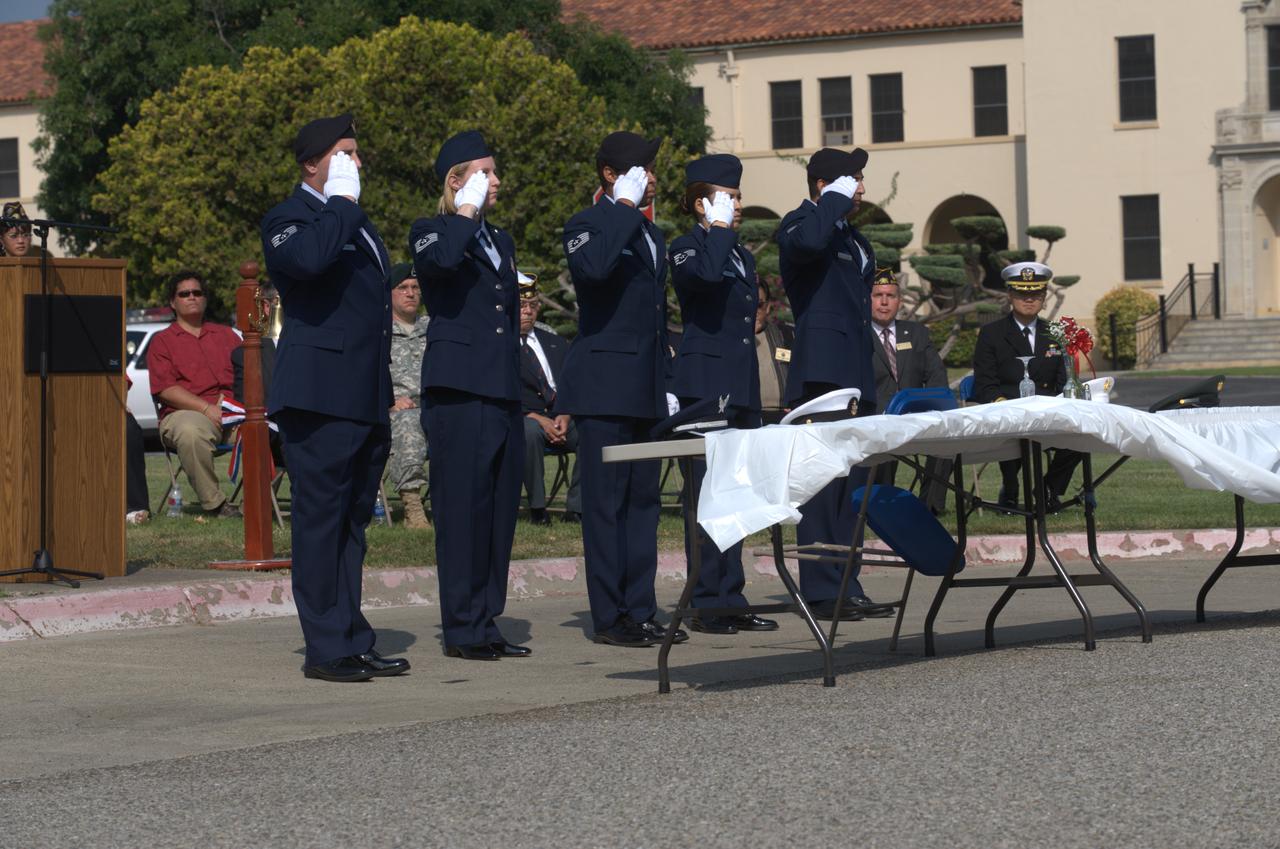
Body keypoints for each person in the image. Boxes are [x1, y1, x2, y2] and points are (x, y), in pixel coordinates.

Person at [260, 112, 409, 683]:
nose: (357, 163)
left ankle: (352, 636)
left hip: (364, 396)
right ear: (311, 164)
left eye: (357, 153)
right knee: (320, 525)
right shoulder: (287, 218)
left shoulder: (357, 218)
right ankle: (325, 647)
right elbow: (308, 262)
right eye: (345, 153)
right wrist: (341, 205)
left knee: (352, 524)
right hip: (319, 397)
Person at [559, 131, 686, 648]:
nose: (651, 177)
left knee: (642, 504)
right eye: (641, 169)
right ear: (611, 175)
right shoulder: (587, 225)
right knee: (606, 505)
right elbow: (594, 269)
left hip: (644, 387)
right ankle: (610, 616)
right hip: (603, 387)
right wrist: (626, 208)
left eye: (652, 170)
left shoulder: (653, 236)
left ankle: (641, 607)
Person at [410, 130, 529, 662]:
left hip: (500, 386)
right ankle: (461, 626)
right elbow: (439, 267)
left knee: (499, 511)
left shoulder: (499, 238)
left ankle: (486, 618)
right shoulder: (432, 230)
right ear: (456, 180)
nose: (497, 181)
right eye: (485, 172)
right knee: (462, 511)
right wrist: (463, 212)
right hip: (459, 388)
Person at [776, 146, 890, 621]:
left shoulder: (854, 238)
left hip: (856, 369)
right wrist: (830, 203)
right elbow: (806, 247)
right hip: (821, 371)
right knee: (823, 487)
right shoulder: (800, 223)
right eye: (852, 180)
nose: (861, 189)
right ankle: (822, 590)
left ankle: (848, 580)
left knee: (852, 487)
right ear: (824, 185)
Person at [667, 153, 778, 635]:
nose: (736, 207)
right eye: (728, 198)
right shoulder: (687, 248)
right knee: (707, 497)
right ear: (701, 204)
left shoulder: (740, 253)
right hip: (704, 387)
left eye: (737, 198)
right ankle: (706, 598)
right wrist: (716, 232)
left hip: (740, 386)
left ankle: (730, 594)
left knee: (737, 495)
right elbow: (705, 281)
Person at [972, 261, 1083, 512]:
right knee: (1014, 436)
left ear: (1044, 297)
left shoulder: (1056, 333)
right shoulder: (991, 334)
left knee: (1080, 438)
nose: (1029, 299)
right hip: (1008, 412)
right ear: (1010, 295)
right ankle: (1010, 487)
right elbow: (985, 383)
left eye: (1036, 294)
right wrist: (1003, 405)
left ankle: (1048, 489)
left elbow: (1063, 381)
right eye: (1022, 293)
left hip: (1048, 413)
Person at [146, 270, 243, 518]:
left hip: (231, 414)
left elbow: (246, 375)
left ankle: (268, 500)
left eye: (197, 292)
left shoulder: (227, 336)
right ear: (173, 302)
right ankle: (216, 505)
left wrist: (231, 402)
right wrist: (206, 408)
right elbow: (166, 389)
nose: (192, 297)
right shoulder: (162, 341)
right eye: (184, 293)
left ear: (205, 299)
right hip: (184, 413)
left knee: (269, 428)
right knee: (191, 430)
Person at [869, 267, 952, 511]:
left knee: (945, 444)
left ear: (899, 301)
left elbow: (936, 375)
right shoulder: (857, 335)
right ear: (867, 299)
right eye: (878, 295)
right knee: (882, 444)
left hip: (916, 417)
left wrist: (934, 411)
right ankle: (882, 504)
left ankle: (930, 506)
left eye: (891, 296)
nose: (884, 302)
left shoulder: (916, 333)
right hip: (877, 418)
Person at [517, 274, 582, 525]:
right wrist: (538, 419)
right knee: (529, 432)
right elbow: (504, 392)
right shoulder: (500, 344)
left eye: (532, 306)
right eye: (522, 306)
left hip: (561, 416)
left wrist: (566, 414)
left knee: (593, 431)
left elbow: (571, 383)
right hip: (525, 417)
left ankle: (576, 508)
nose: (528, 312)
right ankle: (537, 508)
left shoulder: (554, 341)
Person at [385, 262, 431, 529]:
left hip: (435, 408)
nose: (411, 293)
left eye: (415, 287)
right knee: (409, 423)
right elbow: (366, 375)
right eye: (402, 288)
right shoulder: (378, 332)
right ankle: (413, 508)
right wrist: (388, 403)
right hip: (395, 413)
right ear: (389, 294)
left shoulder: (433, 328)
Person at [754, 279, 795, 425]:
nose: (754, 309)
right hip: (750, 418)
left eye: (759, 304)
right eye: (749, 303)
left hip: (784, 416)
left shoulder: (786, 334)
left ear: (768, 306)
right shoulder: (732, 340)